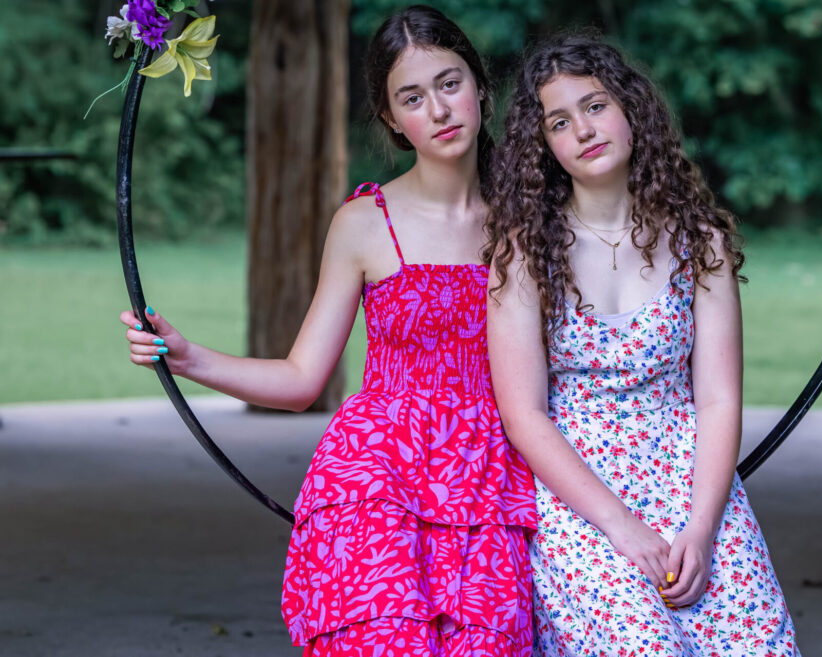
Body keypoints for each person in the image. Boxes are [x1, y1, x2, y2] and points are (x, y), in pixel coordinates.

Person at [120, 6, 537, 656]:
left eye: (449, 83)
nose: (439, 108)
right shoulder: (365, 222)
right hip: (376, 475)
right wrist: (188, 354)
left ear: (480, 86)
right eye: (412, 97)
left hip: (490, 479)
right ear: (393, 120)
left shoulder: (529, 216)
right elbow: (300, 377)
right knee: (384, 638)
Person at [485, 34, 800, 656]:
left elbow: (717, 399)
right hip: (582, 494)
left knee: (752, 640)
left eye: (596, 105)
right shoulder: (522, 253)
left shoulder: (699, 240)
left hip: (691, 483)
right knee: (642, 643)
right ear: (545, 146)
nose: (582, 129)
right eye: (559, 121)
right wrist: (622, 529)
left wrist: (705, 528)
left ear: (631, 110)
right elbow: (524, 416)